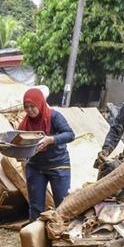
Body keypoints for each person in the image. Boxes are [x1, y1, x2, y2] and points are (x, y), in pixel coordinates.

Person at [17, 88, 75, 222]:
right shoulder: (25, 123)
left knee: (63, 204)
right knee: (36, 206)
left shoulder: (54, 116)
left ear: (40, 103)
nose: (30, 110)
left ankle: (62, 235)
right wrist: (19, 153)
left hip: (58, 164)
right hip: (36, 167)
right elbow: (18, 141)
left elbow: (70, 134)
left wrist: (51, 139)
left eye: (33, 106)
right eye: (26, 107)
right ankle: (36, 238)